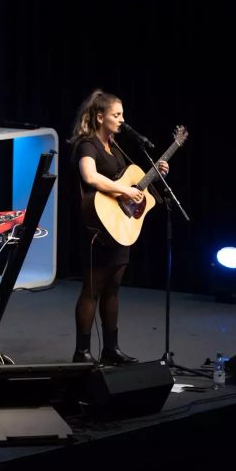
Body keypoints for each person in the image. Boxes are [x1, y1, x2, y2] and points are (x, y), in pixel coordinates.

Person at [68, 89, 168, 366]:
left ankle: (111, 349)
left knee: (113, 288)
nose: (122, 119)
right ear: (100, 117)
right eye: (116, 114)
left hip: (119, 226)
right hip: (97, 226)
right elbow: (90, 176)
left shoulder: (116, 146)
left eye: (122, 114)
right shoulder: (87, 146)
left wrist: (155, 174)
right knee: (92, 289)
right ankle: (82, 352)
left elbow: (130, 185)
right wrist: (124, 190)